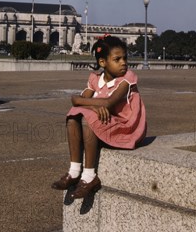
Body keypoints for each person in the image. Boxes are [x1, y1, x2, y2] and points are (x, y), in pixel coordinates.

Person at [52, 34, 147, 199]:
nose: (124, 63)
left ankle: (89, 176)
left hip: (126, 127)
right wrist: (94, 106)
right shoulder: (95, 79)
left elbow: (110, 102)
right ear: (102, 62)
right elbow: (75, 100)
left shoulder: (127, 79)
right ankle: (74, 171)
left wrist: (91, 105)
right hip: (108, 122)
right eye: (117, 59)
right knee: (73, 114)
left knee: (88, 117)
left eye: (125, 58)